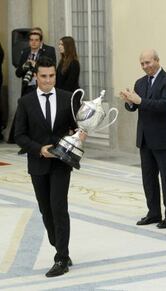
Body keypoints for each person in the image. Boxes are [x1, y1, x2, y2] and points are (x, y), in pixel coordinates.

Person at [14, 57, 85, 277]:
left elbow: (76, 127)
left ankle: (61, 257)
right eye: (43, 76)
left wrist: (80, 134)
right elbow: (19, 135)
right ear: (36, 76)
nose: (48, 80)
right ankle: (59, 245)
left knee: (58, 208)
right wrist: (38, 149)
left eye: (51, 76)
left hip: (62, 162)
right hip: (38, 163)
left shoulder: (66, 98)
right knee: (46, 210)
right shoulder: (25, 102)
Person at [120, 49, 166, 229]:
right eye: (142, 64)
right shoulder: (140, 82)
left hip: (163, 138)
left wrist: (139, 101)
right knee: (148, 178)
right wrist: (130, 102)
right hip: (145, 138)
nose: (146, 66)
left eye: (148, 62)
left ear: (157, 60)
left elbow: (165, 106)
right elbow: (135, 107)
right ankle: (153, 213)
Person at [9, 31, 57, 145]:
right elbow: (18, 73)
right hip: (27, 87)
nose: (33, 42)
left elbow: (52, 68)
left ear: (40, 42)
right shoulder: (25, 52)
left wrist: (36, 64)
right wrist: (25, 66)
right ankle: (23, 139)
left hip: (41, 87)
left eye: (36, 40)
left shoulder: (47, 51)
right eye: (31, 40)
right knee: (25, 113)